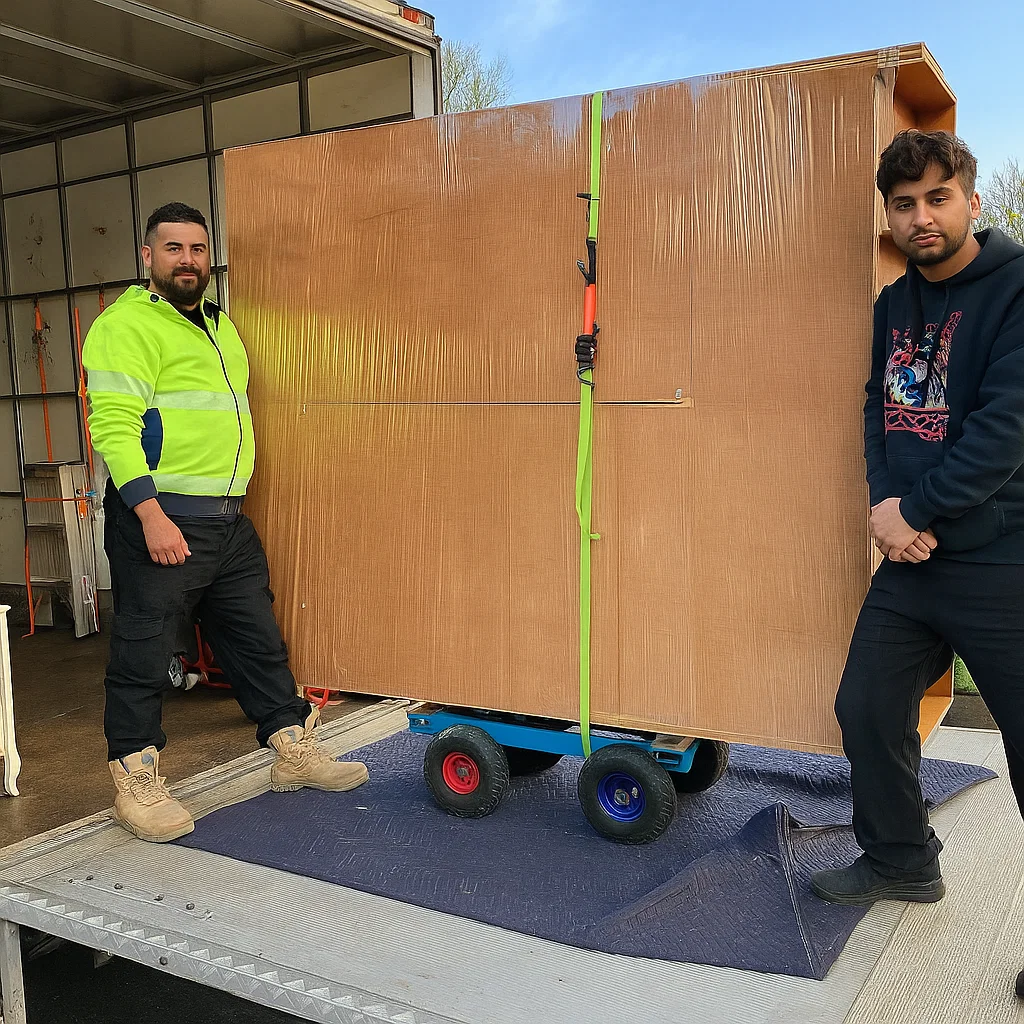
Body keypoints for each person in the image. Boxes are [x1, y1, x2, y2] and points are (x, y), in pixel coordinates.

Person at [809, 130, 1024, 998]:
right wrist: (886, 511)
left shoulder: (1016, 288)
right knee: (864, 705)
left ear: (973, 200)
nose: (921, 216)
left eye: (938, 197)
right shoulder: (892, 303)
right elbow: (879, 409)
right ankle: (901, 861)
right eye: (904, 204)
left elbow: (1006, 428)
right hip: (914, 560)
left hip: (1006, 560)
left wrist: (916, 510)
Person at [83, 202, 368, 843]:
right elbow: (114, 430)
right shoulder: (125, 326)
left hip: (226, 518)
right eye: (173, 248)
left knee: (257, 640)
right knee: (143, 650)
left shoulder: (219, 327)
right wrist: (150, 516)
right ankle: (136, 777)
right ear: (148, 257)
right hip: (162, 514)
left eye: (197, 249)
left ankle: (291, 749)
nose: (187, 260)